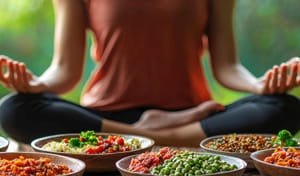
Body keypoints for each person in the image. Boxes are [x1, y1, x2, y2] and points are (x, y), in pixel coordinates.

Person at [0, 0, 299, 147]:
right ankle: (153, 135)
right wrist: (37, 84)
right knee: (15, 109)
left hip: (196, 116)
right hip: (106, 119)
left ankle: (143, 139)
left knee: (283, 108)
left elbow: (227, 68)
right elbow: (65, 71)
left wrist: (259, 86)